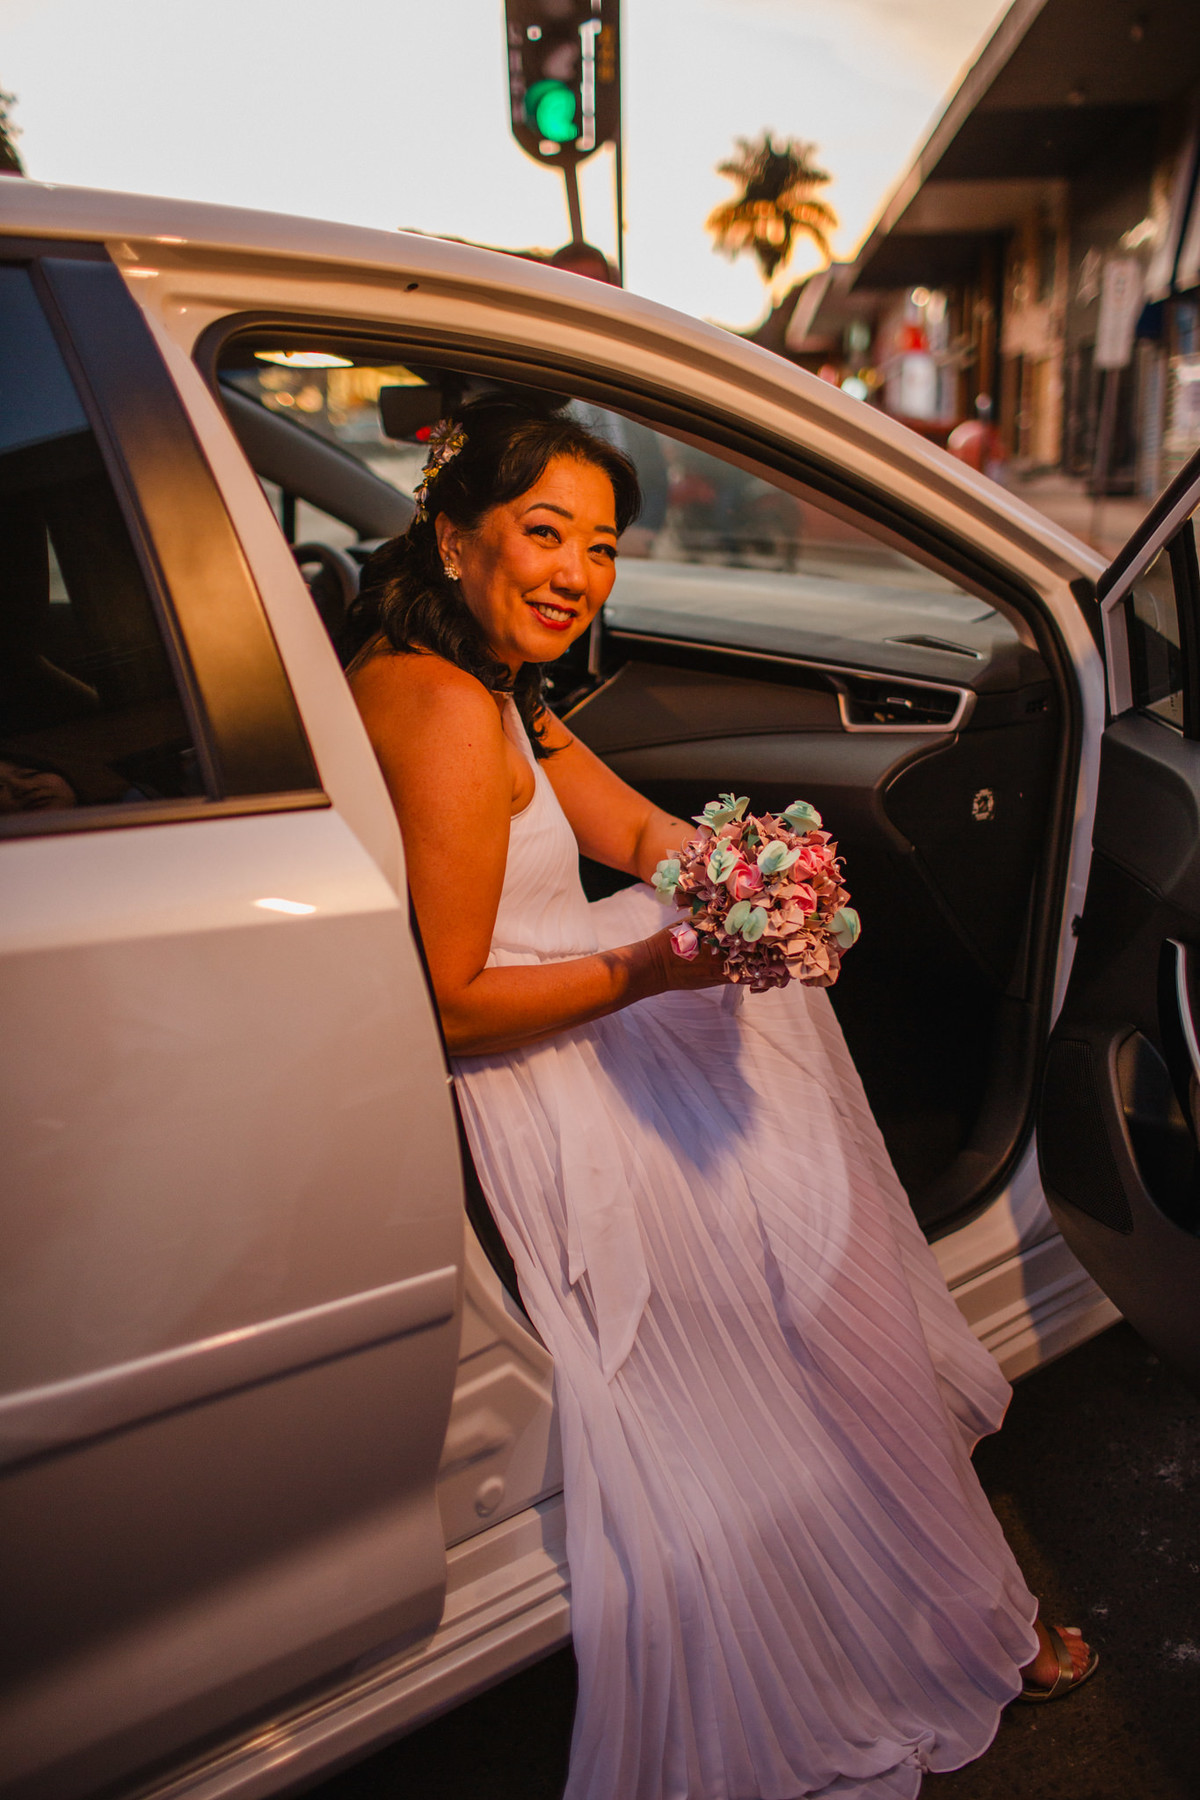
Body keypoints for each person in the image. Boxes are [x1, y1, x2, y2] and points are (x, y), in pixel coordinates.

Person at [347, 401, 1096, 1800]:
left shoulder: (475, 673)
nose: (579, 571)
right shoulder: (445, 712)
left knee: (790, 1112)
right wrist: (651, 965)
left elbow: (628, 827)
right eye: (544, 533)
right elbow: (450, 997)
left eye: (604, 544)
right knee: (813, 1271)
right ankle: (933, 1608)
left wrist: (760, 883)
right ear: (455, 539)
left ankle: (928, 1572)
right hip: (524, 1072)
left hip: (571, 1019)